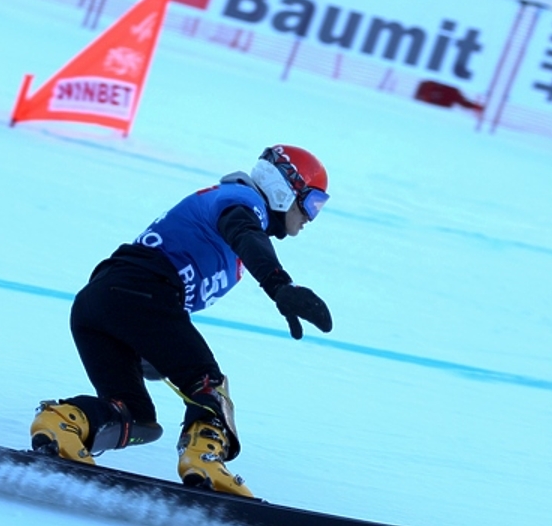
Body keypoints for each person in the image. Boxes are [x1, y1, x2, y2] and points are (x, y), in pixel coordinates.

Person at [30, 145, 334, 498]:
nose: (310, 218)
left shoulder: (232, 210)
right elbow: (244, 232)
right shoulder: (240, 201)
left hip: (101, 302)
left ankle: (62, 423)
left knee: (136, 418)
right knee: (210, 386)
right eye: (311, 203)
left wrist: (151, 347)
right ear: (284, 188)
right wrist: (281, 286)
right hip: (138, 292)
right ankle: (203, 459)